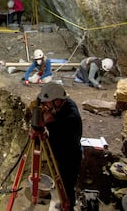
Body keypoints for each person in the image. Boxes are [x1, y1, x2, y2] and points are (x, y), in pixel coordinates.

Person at [35, 83, 83, 211]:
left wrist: (48, 123)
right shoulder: (62, 103)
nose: (46, 106)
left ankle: (67, 206)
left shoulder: (71, 117)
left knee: (67, 184)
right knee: (61, 180)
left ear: (57, 101)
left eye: (48, 103)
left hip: (69, 155)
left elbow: (60, 132)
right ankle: (64, 203)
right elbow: (41, 99)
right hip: (60, 150)